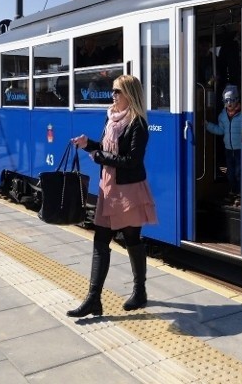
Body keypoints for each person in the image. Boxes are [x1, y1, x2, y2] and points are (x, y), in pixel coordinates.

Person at [68, 74, 158, 317]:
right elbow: (106, 150)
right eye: (113, 91)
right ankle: (93, 299)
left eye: (117, 91)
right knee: (100, 240)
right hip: (109, 188)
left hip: (129, 191)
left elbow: (132, 160)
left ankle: (139, 292)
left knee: (131, 241)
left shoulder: (138, 124)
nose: (113, 96)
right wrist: (88, 144)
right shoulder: (111, 120)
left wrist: (101, 157)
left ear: (129, 94)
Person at [206, 85, 242, 202]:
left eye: (232, 100)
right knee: (230, 172)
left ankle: (240, 193)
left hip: (240, 149)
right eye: (226, 101)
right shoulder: (222, 116)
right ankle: (233, 191)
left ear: (237, 100)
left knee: (239, 172)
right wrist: (208, 126)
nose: (229, 103)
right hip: (228, 148)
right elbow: (220, 130)